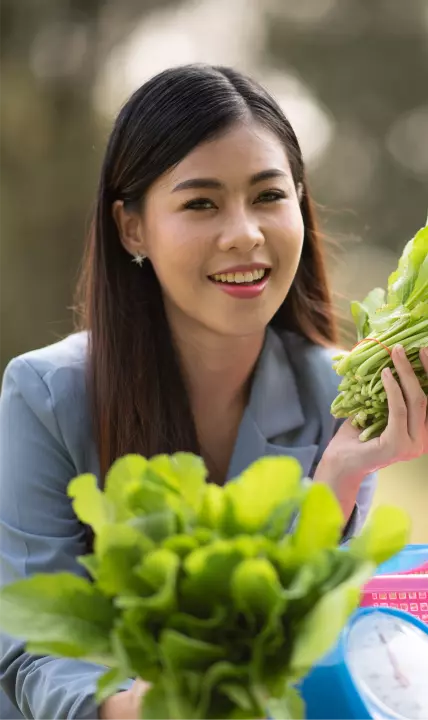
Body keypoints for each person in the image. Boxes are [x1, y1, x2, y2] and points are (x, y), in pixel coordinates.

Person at [0, 64, 427, 720]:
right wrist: (152, 708)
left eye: (267, 197)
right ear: (132, 228)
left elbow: (309, 648)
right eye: (201, 203)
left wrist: (340, 476)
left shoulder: (337, 397)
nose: (245, 234)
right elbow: (30, 654)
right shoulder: (44, 396)